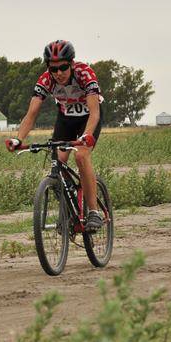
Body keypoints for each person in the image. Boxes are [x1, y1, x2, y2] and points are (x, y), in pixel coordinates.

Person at [7, 40, 105, 231]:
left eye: (63, 67)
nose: (58, 73)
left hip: (89, 118)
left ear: (72, 63)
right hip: (66, 118)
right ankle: (69, 211)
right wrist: (18, 138)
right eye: (53, 69)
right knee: (58, 161)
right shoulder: (46, 80)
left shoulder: (85, 73)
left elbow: (94, 112)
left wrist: (87, 136)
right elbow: (32, 113)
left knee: (81, 155)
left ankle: (94, 212)